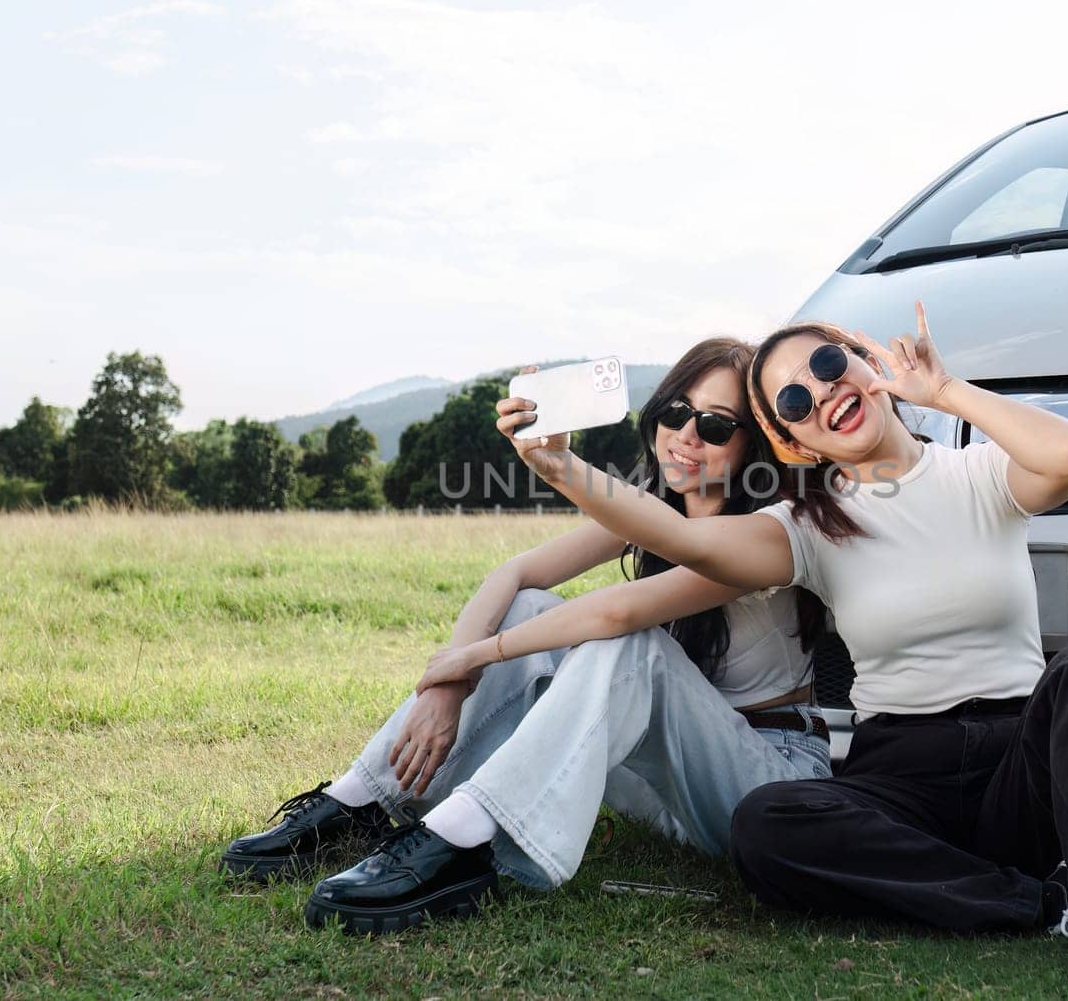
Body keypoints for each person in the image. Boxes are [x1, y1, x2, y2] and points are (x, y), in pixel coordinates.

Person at [493, 302, 1068, 993]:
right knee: (767, 824)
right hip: (901, 774)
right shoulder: (807, 526)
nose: (822, 393)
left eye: (827, 365)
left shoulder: (977, 472)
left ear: (864, 362)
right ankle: (1034, 901)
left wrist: (944, 391)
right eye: (795, 401)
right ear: (792, 441)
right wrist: (559, 465)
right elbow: (681, 536)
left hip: (1020, 754)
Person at [221, 338, 832, 936]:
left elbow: (618, 615)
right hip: (665, 783)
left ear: (755, 444)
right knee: (533, 605)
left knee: (631, 644)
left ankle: (462, 840)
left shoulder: (767, 530)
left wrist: (469, 657)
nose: (687, 435)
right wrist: (448, 686)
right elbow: (515, 575)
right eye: (675, 412)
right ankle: (362, 801)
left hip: (761, 784)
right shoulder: (658, 508)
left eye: (717, 426)